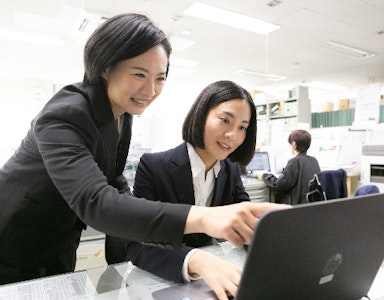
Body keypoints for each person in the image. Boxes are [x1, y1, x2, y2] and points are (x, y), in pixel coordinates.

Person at [0, 13, 285, 285]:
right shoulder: (65, 114)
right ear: (105, 67)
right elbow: (96, 202)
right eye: (139, 74)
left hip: (58, 241)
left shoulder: (121, 115)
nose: (150, 90)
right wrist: (205, 218)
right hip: (9, 242)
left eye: (160, 78)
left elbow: (114, 181)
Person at [126, 80, 257, 299]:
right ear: (201, 115)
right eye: (225, 120)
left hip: (212, 282)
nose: (232, 135)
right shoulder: (154, 166)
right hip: (165, 280)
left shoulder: (230, 169)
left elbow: (247, 223)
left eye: (242, 127)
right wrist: (194, 260)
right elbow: (137, 245)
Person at [258, 129, 320, 205]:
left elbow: (279, 185)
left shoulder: (295, 162)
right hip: (309, 206)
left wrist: (264, 176)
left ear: (294, 144)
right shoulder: (314, 161)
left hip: (295, 208)